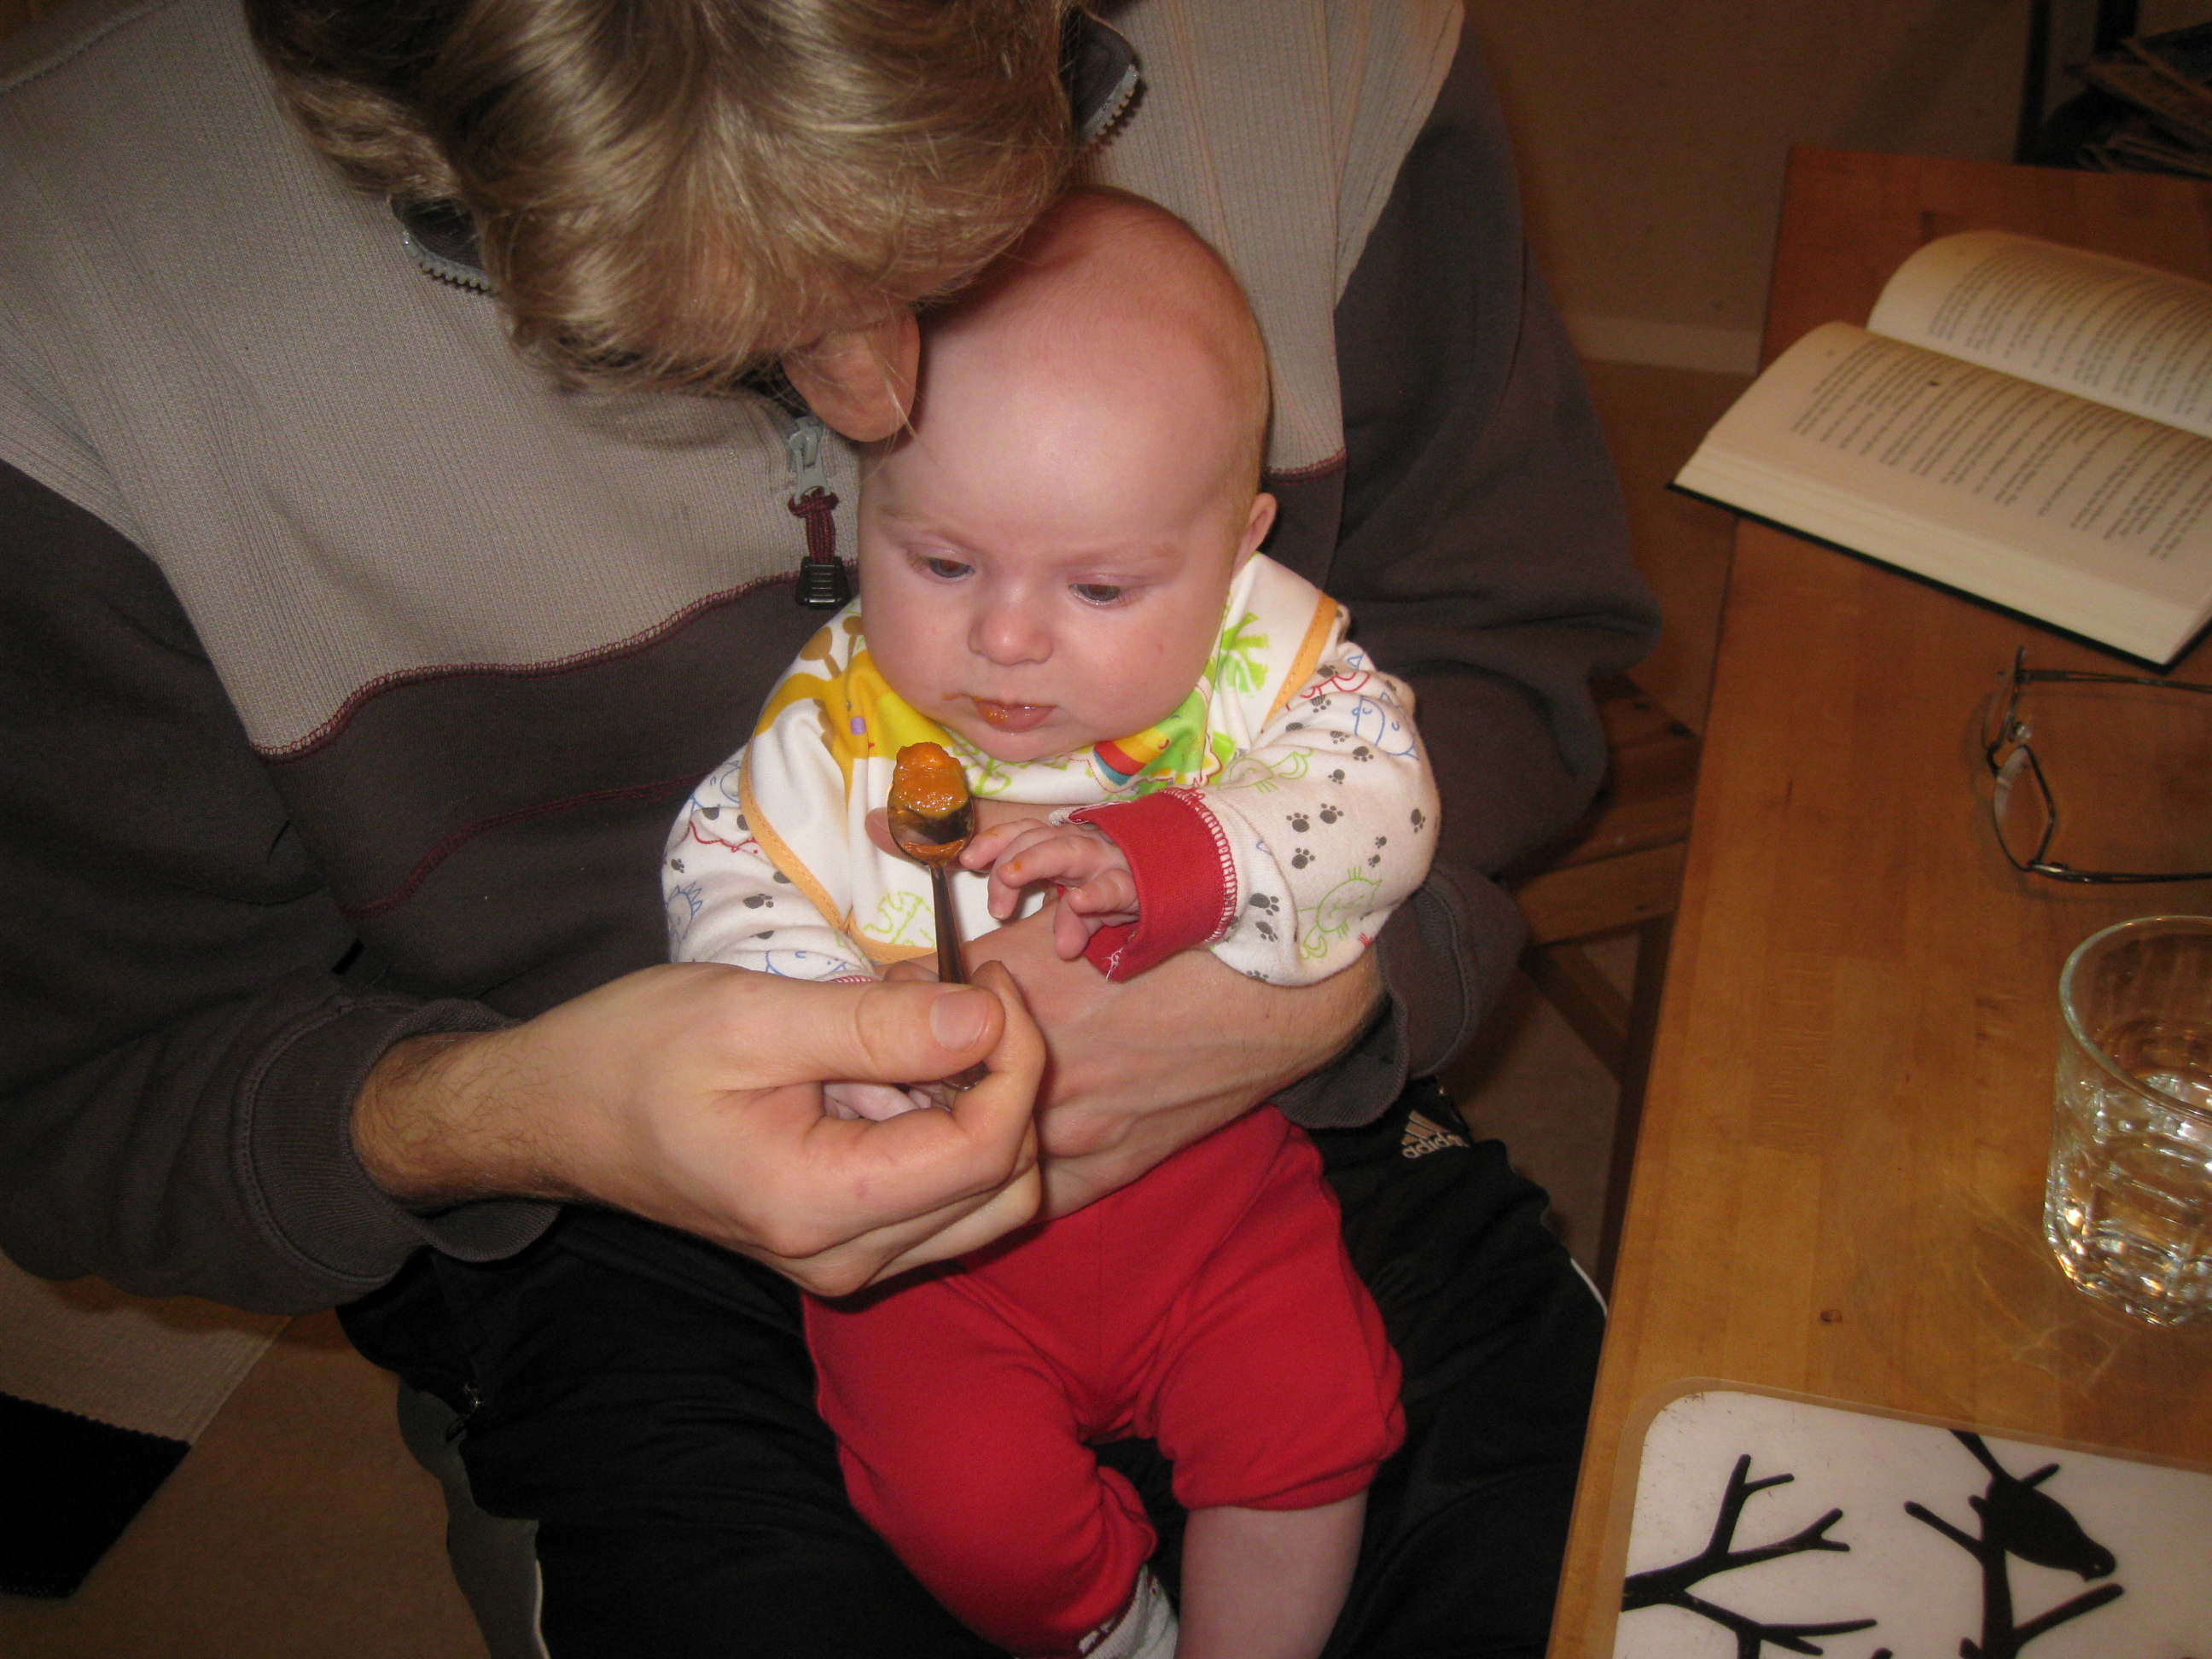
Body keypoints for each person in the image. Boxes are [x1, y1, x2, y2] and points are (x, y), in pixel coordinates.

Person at [0, 0, 1657, 1651]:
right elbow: (84, 1097)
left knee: (1508, 1527)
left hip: (1275, 1103)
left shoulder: (1329, 47)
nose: (878, 406)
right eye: (673, 328)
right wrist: (530, 1112)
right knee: (950, 1519)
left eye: (963, 226)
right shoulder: (63, 275)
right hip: (626, 1228)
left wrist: (1328, 977)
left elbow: (1482, 664)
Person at [667, 189, 1435, 1659]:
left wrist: (1185, 854)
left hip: (1215, 1196)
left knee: (1312, 1427)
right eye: (943, 564)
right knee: (967, 1518)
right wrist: (828, 1035)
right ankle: (1114, 1634)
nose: (1008, 638)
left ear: (1235, 552)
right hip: (926, 1269)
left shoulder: (1268, 671)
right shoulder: (832, 736)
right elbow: (727, 880)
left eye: (1099, 585)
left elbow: (1380, 804)